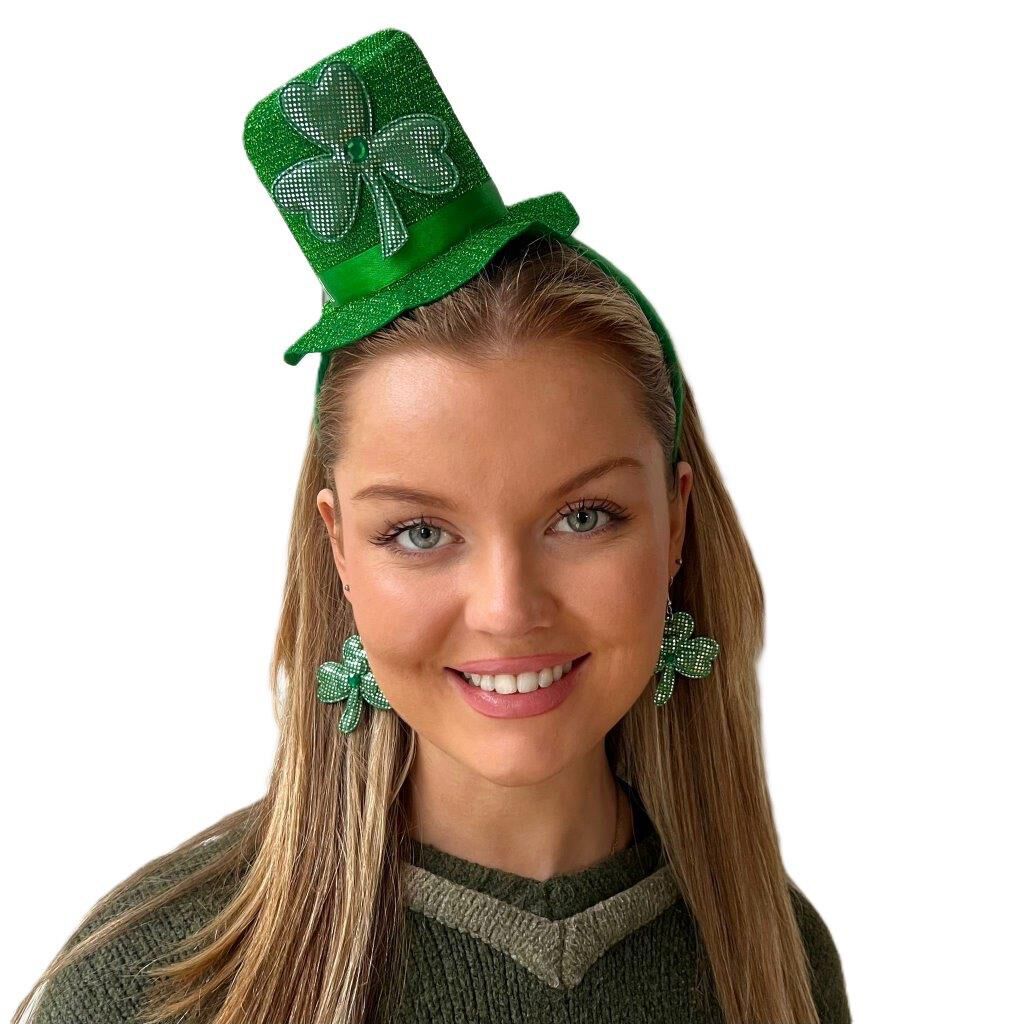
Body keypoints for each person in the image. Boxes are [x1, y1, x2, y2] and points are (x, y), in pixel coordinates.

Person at [16, 28, 852, 1024]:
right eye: (419, 532)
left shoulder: (773, 958)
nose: (505, 609)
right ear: (338, 551)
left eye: (582, 516)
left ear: (673, 523)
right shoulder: (153, 987)